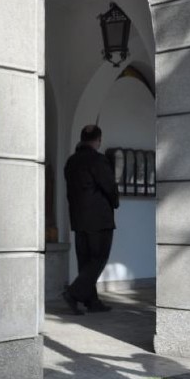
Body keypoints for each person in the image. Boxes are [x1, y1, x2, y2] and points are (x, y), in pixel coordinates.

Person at [62, 124, 119, 315]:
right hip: (99, 219)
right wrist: (115, 202)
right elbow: (109, 186)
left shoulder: (71, 161)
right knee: (98, 258)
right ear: (98, 140)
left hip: (78, 219)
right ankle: (73, 293)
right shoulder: (98, 160)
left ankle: (92, 301)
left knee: (85, 260)